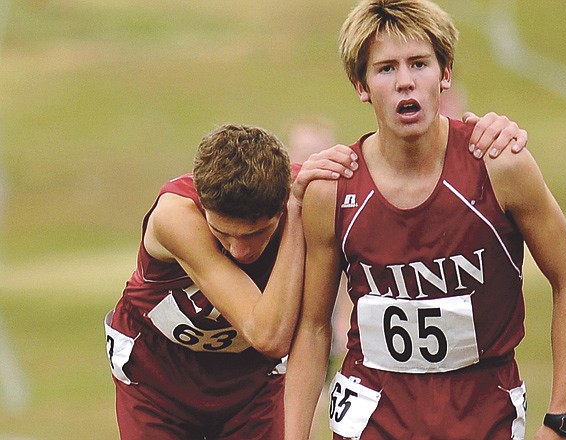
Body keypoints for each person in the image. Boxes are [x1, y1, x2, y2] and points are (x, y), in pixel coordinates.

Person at [103, 119, 526, 439]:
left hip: (252, 386)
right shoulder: (177, 217)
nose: (240, 251)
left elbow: (400, 172)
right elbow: (266, 332)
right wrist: (292, 213)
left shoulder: (308, 192)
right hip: (158, 384)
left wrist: (484, 130)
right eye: (223, 235)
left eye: (256, 234)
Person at [284, 1, 566, 439]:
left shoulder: (500, 166)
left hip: (483, 413)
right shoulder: (332, 189)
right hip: (371, 414)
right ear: (361, 84)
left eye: (419, 64)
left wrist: (561, 421)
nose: (406, 82)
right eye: (386, 68)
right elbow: (314, 328)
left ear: (445, 74)